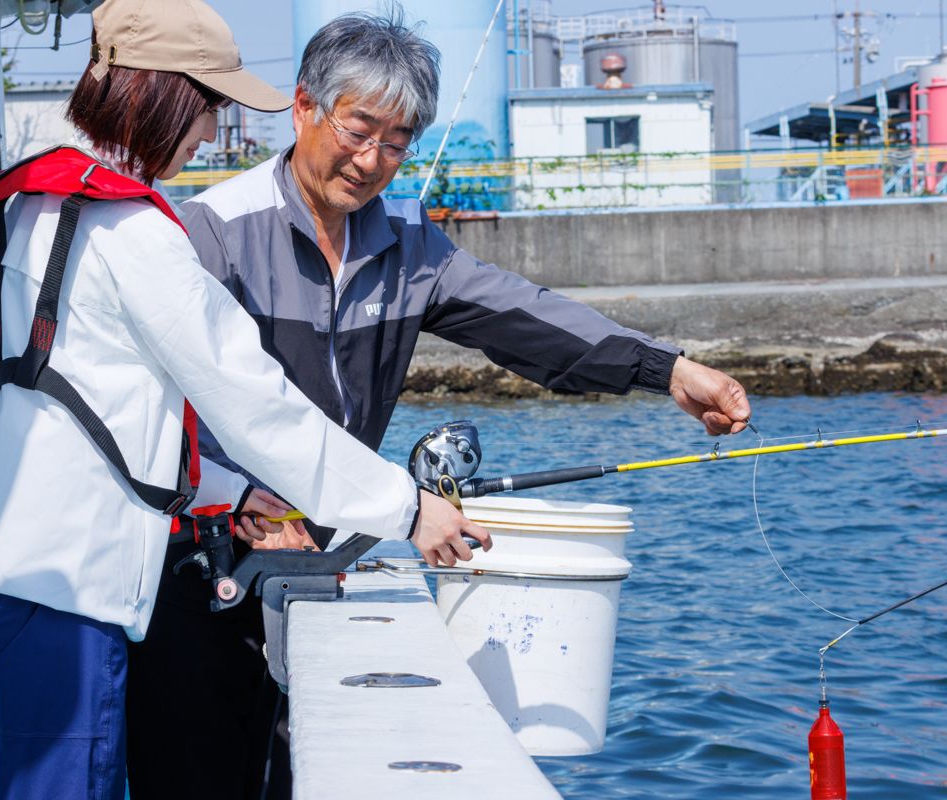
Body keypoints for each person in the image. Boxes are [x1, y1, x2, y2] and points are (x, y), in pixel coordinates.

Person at [125, 9, 753, 799]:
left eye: (396, 141)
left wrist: (665, 370)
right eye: (358, 128)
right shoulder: (212, 231)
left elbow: (526, 318)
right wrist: (242, 498)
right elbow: (158, 403)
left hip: (328, 565)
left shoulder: (408, 241)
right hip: (200, 573)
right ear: (304, 107)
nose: (371, 159)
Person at [0, 2, 489, 798]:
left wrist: (228, 491)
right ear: (161, 93)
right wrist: (405, 508)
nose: (214, 130)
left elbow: (89, 399)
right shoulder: (137, 232)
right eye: (210, 104)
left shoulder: (37, 200)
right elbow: (255, 402)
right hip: (61, 587)